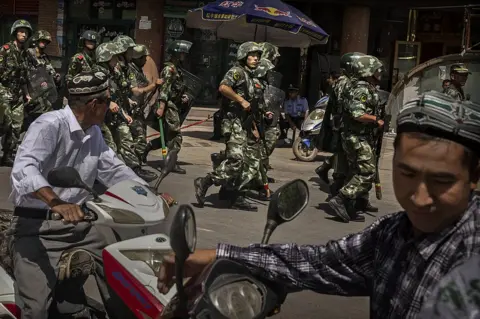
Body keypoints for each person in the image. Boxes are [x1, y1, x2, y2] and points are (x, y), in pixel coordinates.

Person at [158, 91, 480, 319]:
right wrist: (219, 255)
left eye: (441, 181)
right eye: (407, 173)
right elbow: (319, 262)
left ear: (474, 178)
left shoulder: (471, 252)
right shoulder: (393, 234)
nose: (419, 197)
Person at [8, 71, 149, 318]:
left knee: (125, 272)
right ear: (94, 104)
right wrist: (57, 202)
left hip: (80, 228)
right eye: (108, 100)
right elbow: (24, 168)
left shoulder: (93, 132)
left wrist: (150, 195)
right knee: (36, 310)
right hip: (36, 228)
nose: (111, 106)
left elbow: (114, 170)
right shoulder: (49, 125)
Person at [193, 41, 264, 212]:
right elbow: (223, 87)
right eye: (252, 55)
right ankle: (206, 181)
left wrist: (254, 128)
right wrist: (240, 100)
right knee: (236, 160)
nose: (255, 58)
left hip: (244, 124)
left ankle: (235, 195)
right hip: (233, 123)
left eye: (258, 56)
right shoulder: (237, 72)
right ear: (243, 55)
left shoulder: (252, 77)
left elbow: (250, 108)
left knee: (247, 162)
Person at [328, 55, 384, 222]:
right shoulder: (361, 89)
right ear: (368, 71)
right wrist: (375, 120)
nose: (380, 73)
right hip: (356, 137)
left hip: (359, 136)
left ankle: (349, 207)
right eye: (376, 70)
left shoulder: (366, 86)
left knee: (355, 171)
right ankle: (341, 198)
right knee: (367, 171)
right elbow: (357, 113)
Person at [95, 41, 157, 182]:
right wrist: (108, 102)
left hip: (116, 115)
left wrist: (124, 111)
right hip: (101, 118)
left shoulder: (113, 72)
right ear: (106, 57)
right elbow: (96, 94)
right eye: (114, 57)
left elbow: (118, 94)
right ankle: (106, 176)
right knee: (109, 147)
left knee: (126, 140)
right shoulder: (97, 73)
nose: (117, 60)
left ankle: (135, 169)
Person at [144, 40, 192, 175]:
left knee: (167, 136)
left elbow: (174, 88)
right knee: (175, 135)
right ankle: (171, 162)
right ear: (176, 53)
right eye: (182, 53)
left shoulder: (177, 69)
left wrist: (182, 97)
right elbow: (165, 89)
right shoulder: (169, 69)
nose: (184, 55)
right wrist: (162, 107)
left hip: (174, 104)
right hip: (168, 106)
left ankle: (146, 148)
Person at [0, 19, 32, 166]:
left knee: (16, 127)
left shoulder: (25, 54)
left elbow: (24, 77)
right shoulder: (5, 50)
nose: (23, 34)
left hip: (18, 94)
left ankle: (7, 155)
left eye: (25, 32)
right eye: (20, 31)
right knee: (5, 123)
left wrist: (26, 94)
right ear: (15, 33)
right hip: (4, 91)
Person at [127, 44, 164, 164]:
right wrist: (153, 85)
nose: (145, 61)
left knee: (140, 137)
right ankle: (135, 164)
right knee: (139, 139)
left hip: (139, 109)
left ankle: (137, 161)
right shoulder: (131, 70)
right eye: (143, 58)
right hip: (132, 109)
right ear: (137, 58)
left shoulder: (138, 69)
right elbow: (136, 91)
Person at [22, 30, 61, 130]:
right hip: (31, 92)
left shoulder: (45, 57)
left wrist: (56, 76)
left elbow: (50, 71)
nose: (44, 43)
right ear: (36, 40)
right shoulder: (28, 54)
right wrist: (26, 93)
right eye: (42, 40)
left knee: (44, 120)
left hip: (43, 92)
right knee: (29, 122)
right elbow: (23, 74)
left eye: (46, 41)